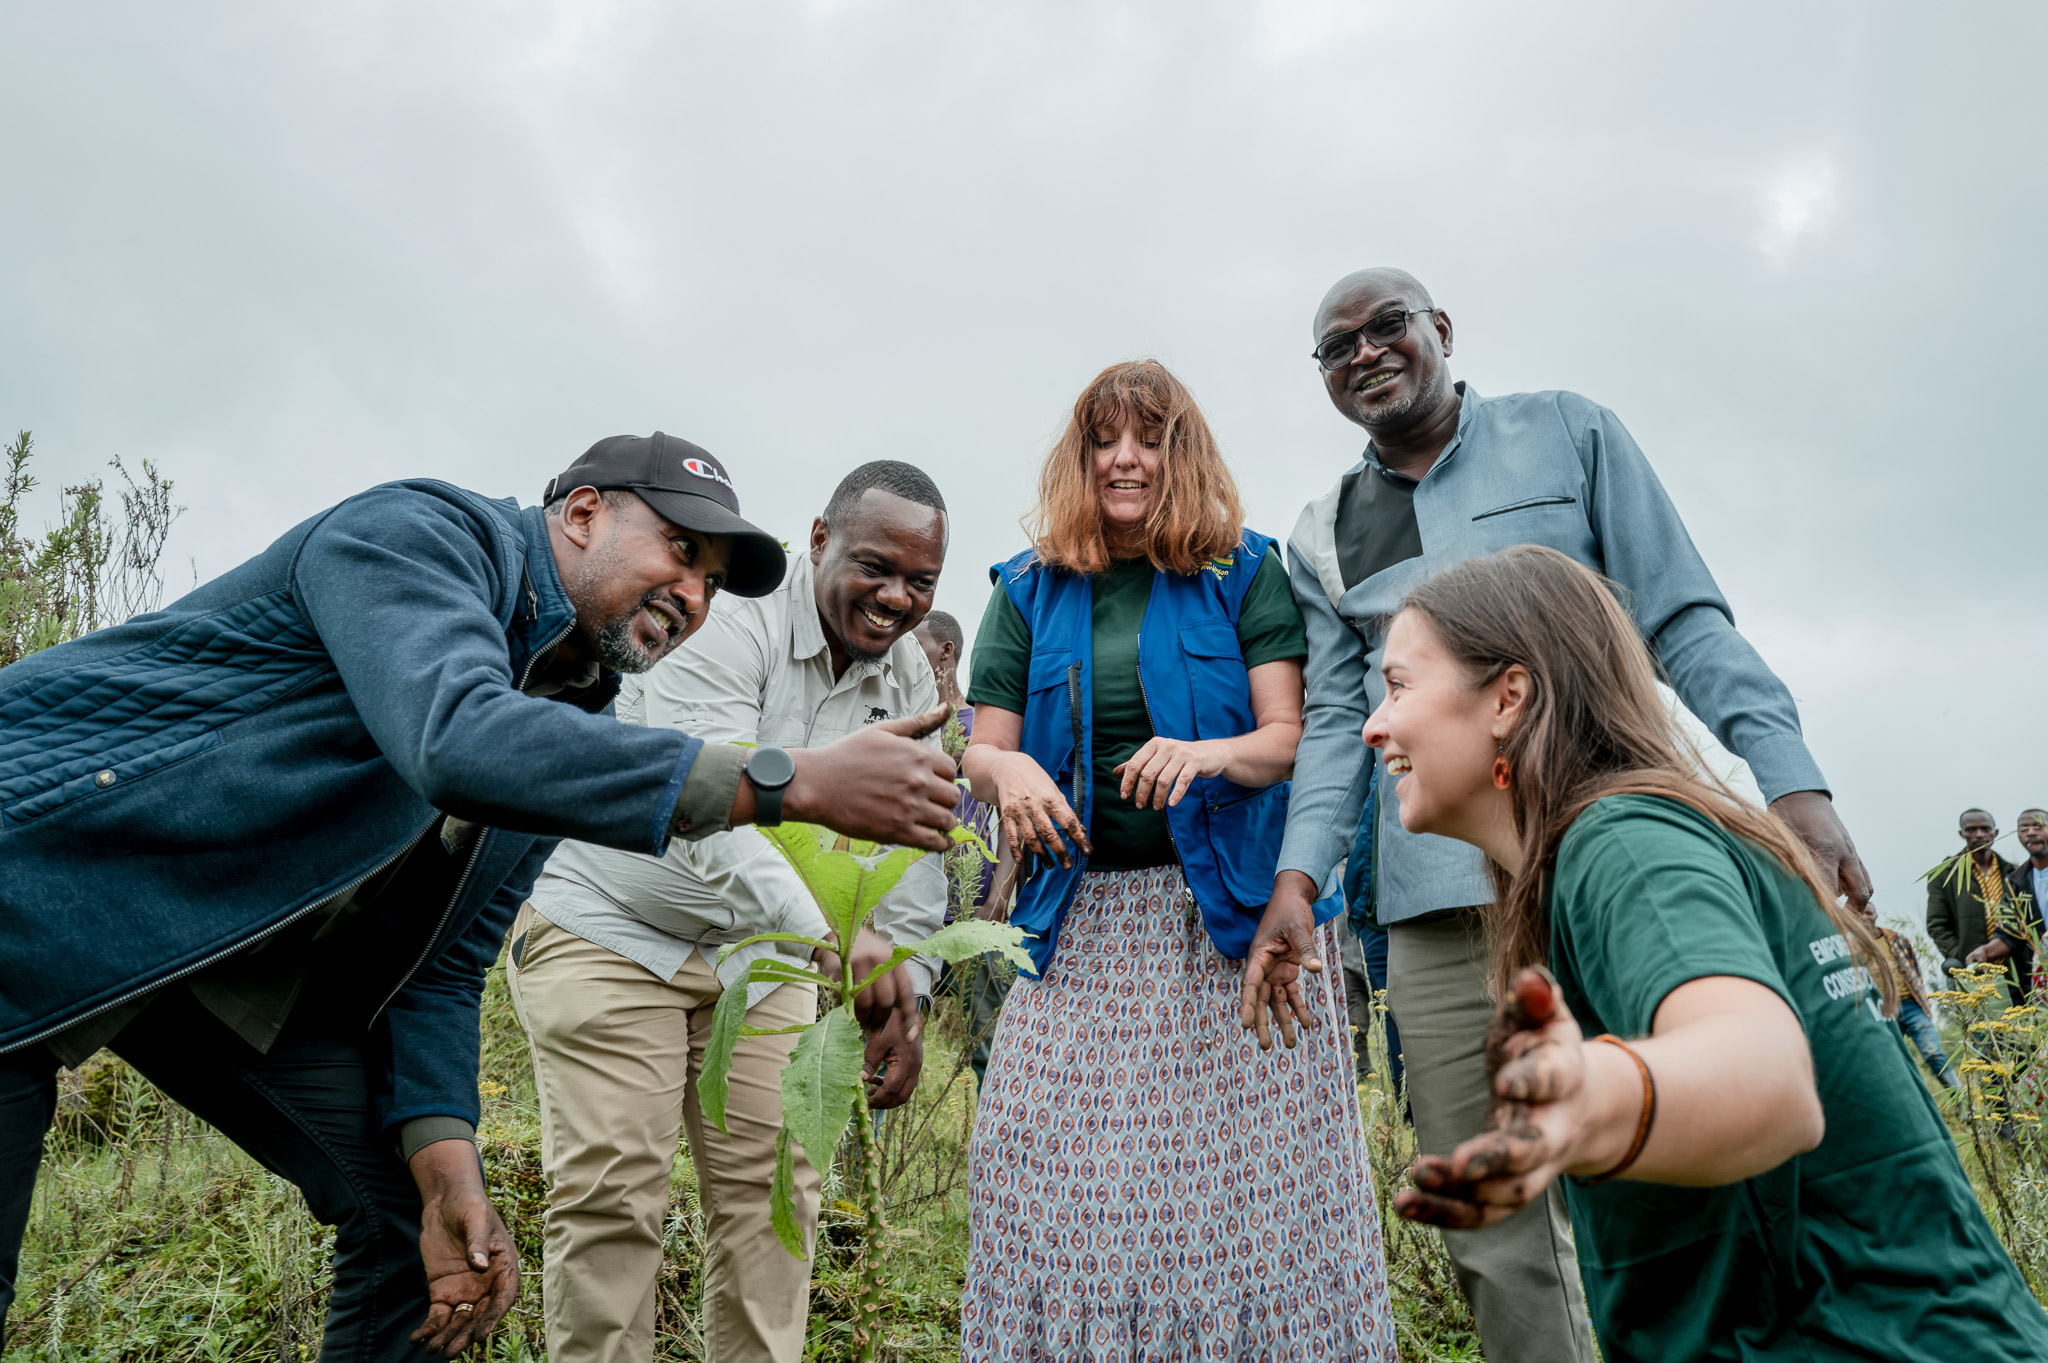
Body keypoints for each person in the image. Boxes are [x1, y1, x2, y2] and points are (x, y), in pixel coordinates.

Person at [0, 433, 963, 1357]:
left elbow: (443, 965)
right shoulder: (418, 537)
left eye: (710, 579)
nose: (692, 594)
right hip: (44, 881)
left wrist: (444, 1150)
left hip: (209, 953)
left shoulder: (564, 700)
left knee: (424, 1236)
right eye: (679, 550)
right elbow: (452, 736)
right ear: (582, 511)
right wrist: (784, 780)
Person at [1245, 267, 1869, 1363]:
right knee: (1494, 1212)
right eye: (1332, 348)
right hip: (1440, 908)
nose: (1363, 355)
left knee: (1699, 1153)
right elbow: (1344, 721)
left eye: (1385, 326)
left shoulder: (1569, 435)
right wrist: (1298, 882)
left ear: (1439, 328)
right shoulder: (1326, 527)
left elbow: (1681, 616)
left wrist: (1790, 782)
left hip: (1604, 851)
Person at [1362, 544, 2048, 1362]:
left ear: (1508, 697)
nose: (1375, 724)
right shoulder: (1629, 839)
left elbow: (1768, 1079)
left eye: (1399, 685)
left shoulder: (1623, 845)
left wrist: (1592, 1099)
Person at [958, 361, 1397, 1358]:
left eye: (1148, 437)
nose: (1125, 458)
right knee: (1041, 1182)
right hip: (1079, 930)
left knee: (1243, 1208)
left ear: (1179, 451)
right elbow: (983, 748)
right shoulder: (1024, 589)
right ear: (1078, 458)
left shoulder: (1247, 571)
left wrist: (1205, 754)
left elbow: (1291, 735)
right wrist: (1007, 770)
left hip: (1228, 928)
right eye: (1104, 439)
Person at [507, 461, 952, 1363]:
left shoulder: (907, 679)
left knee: (775, 1208)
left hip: (764, 955)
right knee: (615, 1201)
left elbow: (915, 842)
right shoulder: (728, 618)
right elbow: (702, 802)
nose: (896, 598)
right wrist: (842, 940)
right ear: (819, 541)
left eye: (922, 582)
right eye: (876, 566)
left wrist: (912, 988)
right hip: (611, 919)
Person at [913, 610, 1013, 1089]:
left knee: (988, 1052)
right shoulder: (905, 727)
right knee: (885, 1036)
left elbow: (1012, 819)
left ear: (946, 652)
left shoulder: (986, 729)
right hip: (912, 918)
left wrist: (995, 902)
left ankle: (996, 1152)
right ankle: (857, 1160)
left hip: (973, 917)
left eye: (916, 643)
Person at [1926, 808, 2031, 1002]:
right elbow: (1937, 925)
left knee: (2026, 1027)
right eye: (1971, 830)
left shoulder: (2014, 873)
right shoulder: (1945, 874)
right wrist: (1961, 958)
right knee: (1985, 1029)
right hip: (1975, 972)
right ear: (1962, 834)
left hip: (2016, 969)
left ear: (1995, 832)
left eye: (1985, 828)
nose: (1979, 834)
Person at [1860, 903, 1959, 1088]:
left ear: (1875, 915)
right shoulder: (1854, 947)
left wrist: (1921, 996)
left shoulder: (1896, 939)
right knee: (1895, 1058)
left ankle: (1960, 1097)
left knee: (1933, 1052)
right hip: (1883, 1009)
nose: (1865, 917)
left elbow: (1914, 969)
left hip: (1910, 1004)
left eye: (1868, 913)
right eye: (1861, 914)